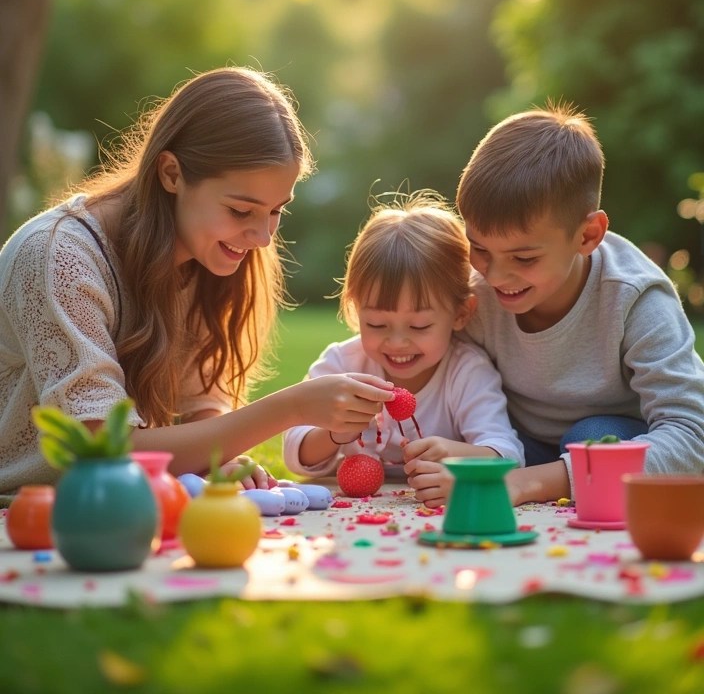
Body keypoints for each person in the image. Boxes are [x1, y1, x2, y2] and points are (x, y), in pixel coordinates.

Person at [0, 67, 393, 500]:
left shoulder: (202, 254)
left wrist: (216, 455)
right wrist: (294, 407)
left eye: (277, 210)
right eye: (242, 211)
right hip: (24, 514)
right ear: (171, 174)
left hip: (123, 510)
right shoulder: (58, 256)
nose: (263, 237)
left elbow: (200, 397)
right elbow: (102, 450)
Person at [455, 101, 704, 507]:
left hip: (607, 446)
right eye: (479, 248)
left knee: (589, 436)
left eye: (524, 258)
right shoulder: (474, 293)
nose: (495, 276)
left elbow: (693, 436)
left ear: (588, 235)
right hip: (515, 446)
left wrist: (533, 483)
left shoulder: (636, 300)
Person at [283, 192, 525, 507]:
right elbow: (295, 452)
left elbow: (507, 453)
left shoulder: (466, 370)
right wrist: (335, 433)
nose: (397, 343)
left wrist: (455, 453)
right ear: (357, 310)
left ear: (461, 314)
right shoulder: (342, 363)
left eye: (419, 326)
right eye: (377, 325)